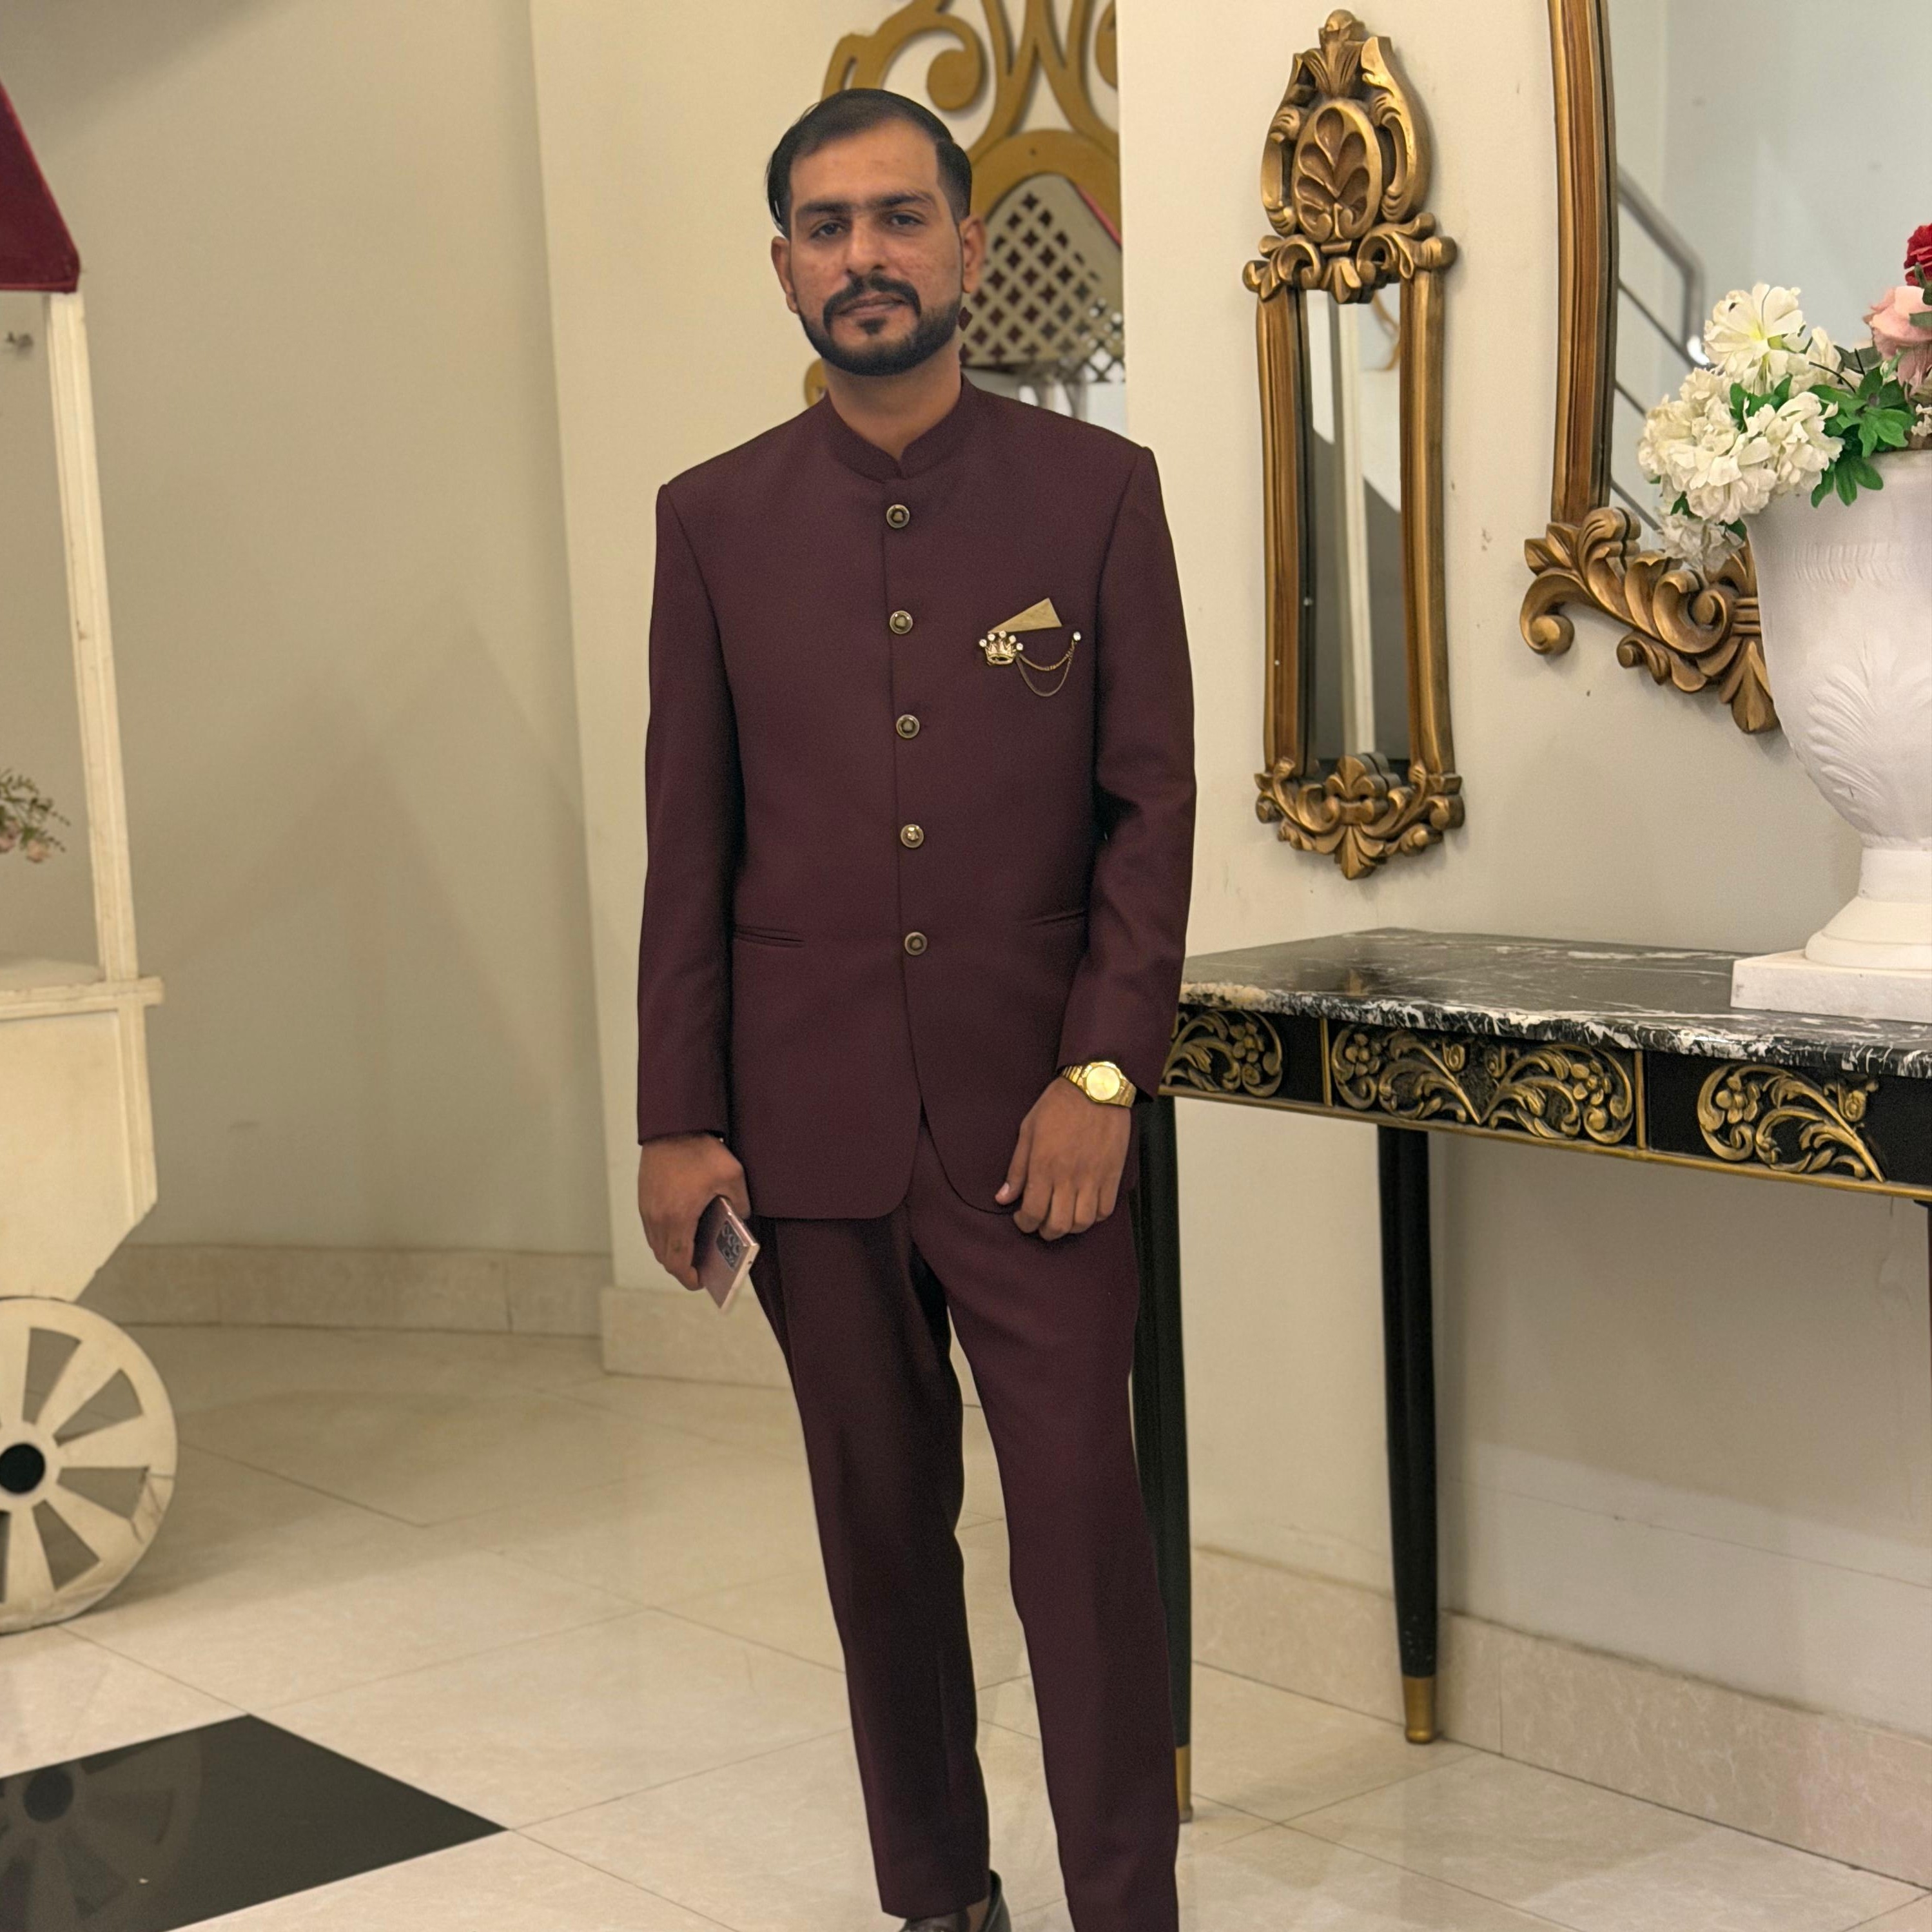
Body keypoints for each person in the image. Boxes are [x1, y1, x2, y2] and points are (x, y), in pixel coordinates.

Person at [634, 86, 1195, 1932]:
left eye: (896, 218)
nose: (863, 256)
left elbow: (1149, 810)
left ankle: (1126, 1909)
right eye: (827, 226)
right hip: (809, 1137)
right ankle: (939, 1896)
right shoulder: (712, 521)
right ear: (785, 264)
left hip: (1044, 1128)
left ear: (966, 242)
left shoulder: (1097, 494)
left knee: (1083, 1537)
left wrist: (1104, 1071)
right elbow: (691, 844)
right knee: (878, 1536)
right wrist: (677, 1117)